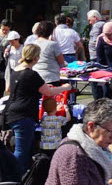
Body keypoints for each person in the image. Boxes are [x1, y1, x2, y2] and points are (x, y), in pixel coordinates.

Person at [4, 44, 66, 177]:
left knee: (25, 148)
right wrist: (65, 87)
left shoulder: (16, 70)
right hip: (24, 114)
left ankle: (24, 177)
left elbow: (10, 89)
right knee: (21, 150)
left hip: (11, 112)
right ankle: (15, 179)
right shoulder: (31, 74)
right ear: (36, 57)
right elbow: (49, 92)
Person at [3, 30, 24, 95]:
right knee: (9, 88)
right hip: (11, 70)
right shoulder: (9, 48)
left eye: (12, 41)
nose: (11, 43)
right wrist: (6, 53)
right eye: (9, 41)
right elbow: (5, 57)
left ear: (17, 39)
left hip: (21, 71)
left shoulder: (23, 48)